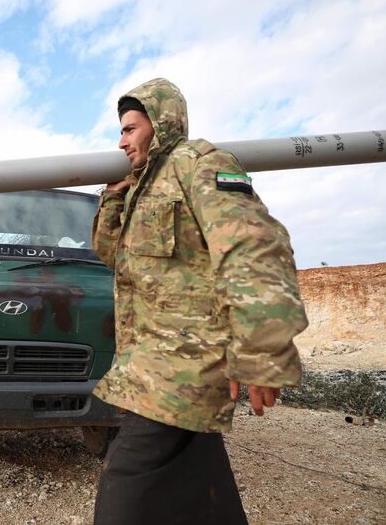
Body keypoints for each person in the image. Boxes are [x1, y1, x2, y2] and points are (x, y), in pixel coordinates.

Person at [90, 78, 308, 524]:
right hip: (154, 367)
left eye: (130, 128)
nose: (121, 140)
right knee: (199, 484)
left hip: (182, 367)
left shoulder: (199, 164)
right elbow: (111, 253)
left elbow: (253, 247)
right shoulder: (142, 187)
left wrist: (261, 351)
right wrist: (115, 193)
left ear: (160, 122)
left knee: (124, 496)